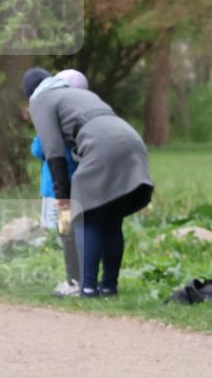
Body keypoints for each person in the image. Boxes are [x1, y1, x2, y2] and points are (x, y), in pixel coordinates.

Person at [23, 67, 153, 298]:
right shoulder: (80, 95)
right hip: (132, 142)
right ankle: (109, 287)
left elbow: (53, 152)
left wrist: (63, 199)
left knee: (85, 215)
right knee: (112, 218)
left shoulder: (40, 101)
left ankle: (88, 288)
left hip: (101, 148)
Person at [31, 69, 88, 297]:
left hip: (58, 190)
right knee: (82, 231)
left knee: (66, 234)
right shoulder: (81, 122)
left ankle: (73, 280)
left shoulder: (52, 121)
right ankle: (86, 278)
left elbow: (38, 149)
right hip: (81, 186)